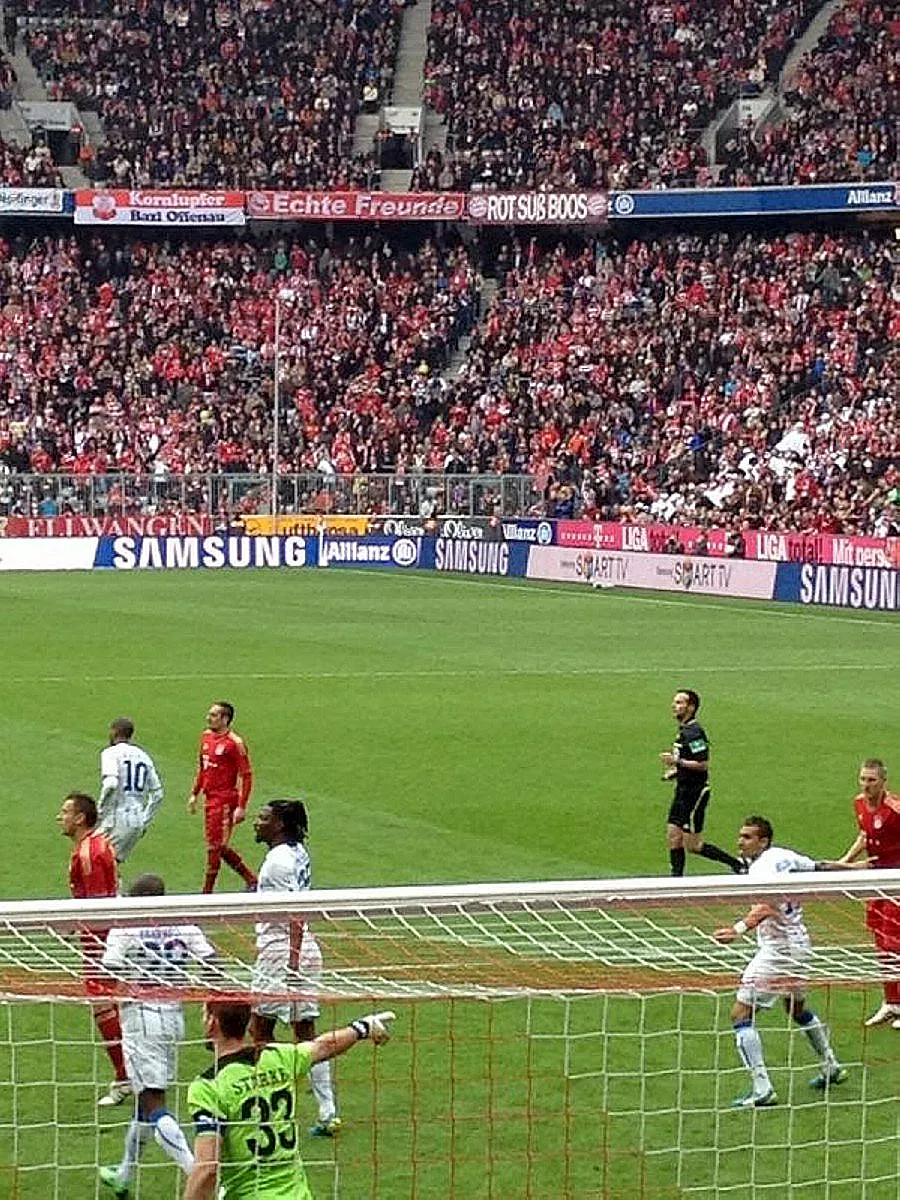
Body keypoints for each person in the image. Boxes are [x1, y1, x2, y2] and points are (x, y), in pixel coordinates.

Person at [185, 1001, 395, 1200]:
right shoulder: (279, 1057)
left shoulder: (208, 1086)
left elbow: (208, 1168)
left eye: (204, 1014)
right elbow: (324, 1047)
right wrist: (362, 1028)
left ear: (213, 1023)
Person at [713, 816, 850, 1108]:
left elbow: (766, 906)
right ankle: (831, 1065)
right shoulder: (783, 856)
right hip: (801, 943)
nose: (740, 841)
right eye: (740, 835)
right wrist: (854, 869)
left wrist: (737, 930)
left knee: (740, 1013)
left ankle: (762, 1088)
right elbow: (819, 867)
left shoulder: (761, 869)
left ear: (763, 841)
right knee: (796, 1008)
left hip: (779, 950)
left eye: (747, 837)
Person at [99, 873, 215, 1198]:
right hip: (173, 1017)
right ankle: (124, 1173)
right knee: (144, 1100)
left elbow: (108, 968)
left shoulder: (126, 927)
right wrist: (209, 1001)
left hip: (141, 1019)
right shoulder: (182, 923)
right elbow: (211, 960)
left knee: (154, 1103)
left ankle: (198, 1173)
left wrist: (126, 979)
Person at [249, 800, 339, 1137]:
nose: (256, 823)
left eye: (263, 818)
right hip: (303, 950)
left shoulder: (278, 862)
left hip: (282, 951)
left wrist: (292, 960)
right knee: (305, 1033)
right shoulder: (298, 852)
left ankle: (269, 1104)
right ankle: (328, 1111)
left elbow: (296, 910)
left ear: (280, 825)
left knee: (260, 1031)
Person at [58, 791, 130, 1107]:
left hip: (100, 939)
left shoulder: (88, 853)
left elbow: (98, 906)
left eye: (65, 811)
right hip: (103, 935)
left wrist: (96, 944)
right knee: (115, 1006)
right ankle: (130, 1072)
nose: (60, 817)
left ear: (80, 818)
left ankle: (125, 1076)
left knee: (104, 1006)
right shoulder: (98, 846)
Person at [838, 758, 900, 1029]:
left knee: (895, 943)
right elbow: (864, 836)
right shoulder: (859, 803)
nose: (866, 785)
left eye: (871, 780)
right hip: (875, 880)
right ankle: (891, 1002)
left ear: (883, 782)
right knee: (880, 941)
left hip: (896, 880)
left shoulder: (895, 810)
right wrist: (844, 862)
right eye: (863, 779)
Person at [659, 690, 743, 876]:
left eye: (680, 703)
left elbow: (702, 764)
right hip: (683, 790)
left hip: (694, 793)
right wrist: (675, 772)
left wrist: (677, 763)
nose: (674, 706)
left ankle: (737, 864)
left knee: (693, 845)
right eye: (674, 702)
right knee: (674, 836)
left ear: (691, 707)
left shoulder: (694, 733)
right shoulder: (684, 730)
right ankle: (676, 880)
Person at [187, 702, 257, 893]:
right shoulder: (206, 737)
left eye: (213, 715)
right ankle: (252, 880)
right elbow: (203, 768)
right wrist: (195, 793)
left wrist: (242, 806)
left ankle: (207, 892)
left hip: (225, 800)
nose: (208, 718)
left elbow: (247, 775)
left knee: (215, 846)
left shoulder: (234, 743)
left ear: (225, 719)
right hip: (210, 800)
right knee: (219, 846)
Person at [98, 717, 165, 864]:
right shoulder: (144, 756)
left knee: (95, 863)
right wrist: (145, 821)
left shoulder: (110, 753)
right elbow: (158, 794)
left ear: (114, 732)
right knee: (111, 866)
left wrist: (100, 811)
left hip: (115, 818)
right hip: (137, 821)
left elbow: (111, 784)